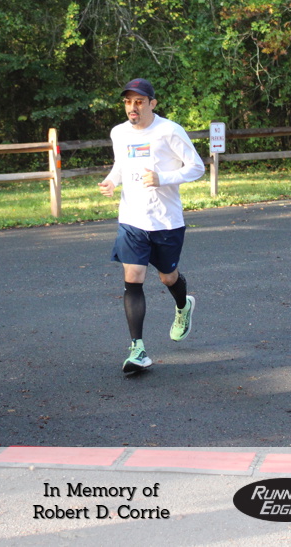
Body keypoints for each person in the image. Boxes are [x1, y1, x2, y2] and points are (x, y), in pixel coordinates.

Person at [99, 78, 205, 374]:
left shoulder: (170, 131)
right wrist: (112, 180)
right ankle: (138, 350)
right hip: (132, 219)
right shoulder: (119, 132)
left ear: (152, 104)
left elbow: (197, 167)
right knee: (133, 277)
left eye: (139, 101)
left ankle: (183, 306)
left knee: (168, 277)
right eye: (128, 101)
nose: (132, 107)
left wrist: (163, 178)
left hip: (166, 220)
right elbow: (121, 165)